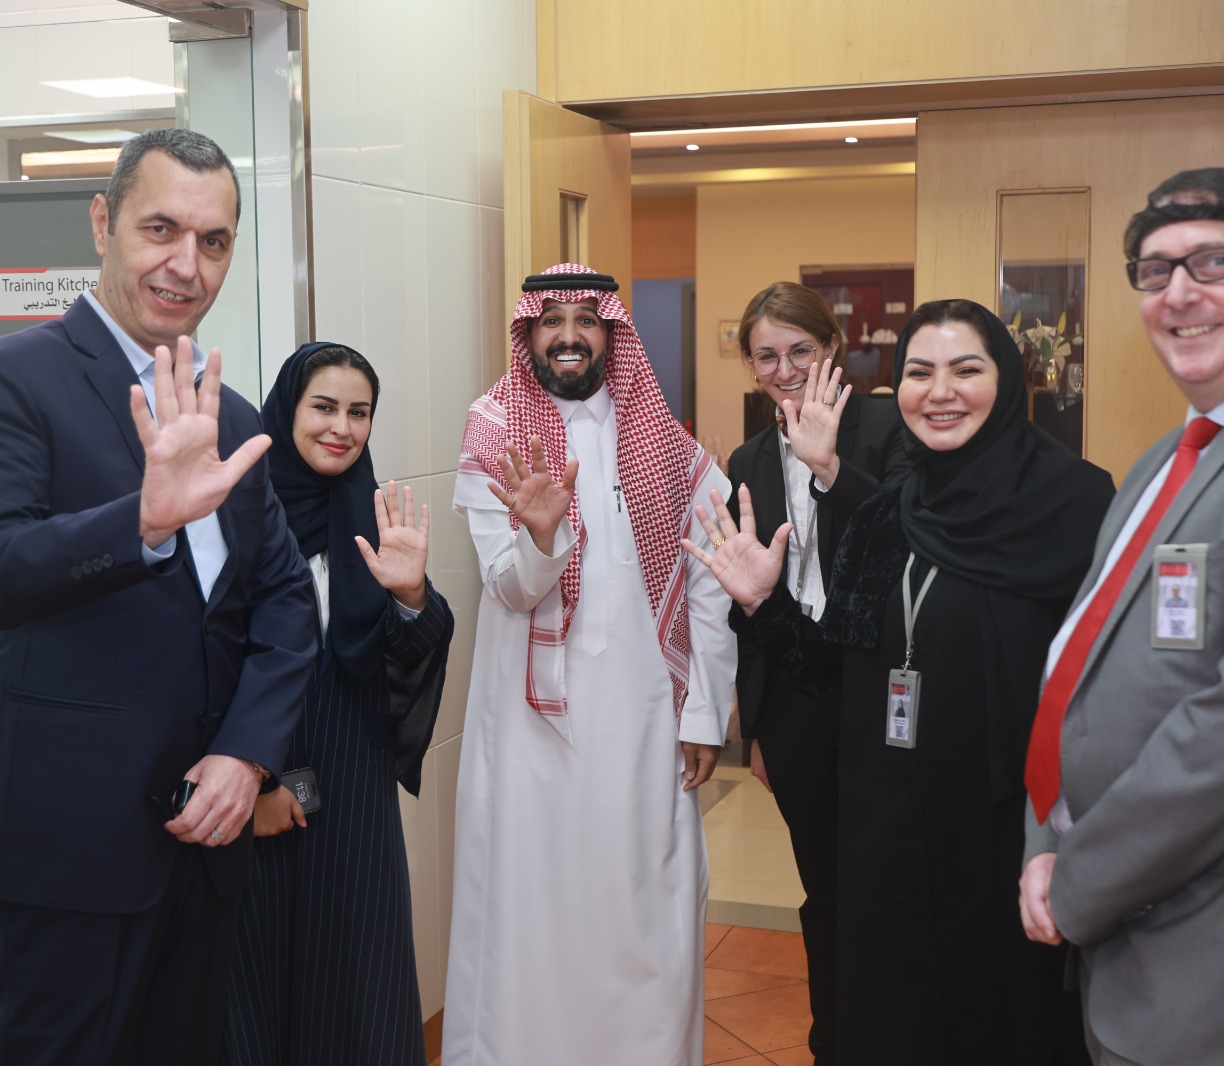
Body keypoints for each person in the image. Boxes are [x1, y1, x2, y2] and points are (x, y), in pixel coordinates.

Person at [0, 128, 317, 1066]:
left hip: (205, 841)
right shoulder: (5, 380)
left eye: (213, 241)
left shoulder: (230, 414)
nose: (187, 264)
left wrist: (247, 754)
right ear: (102, 224)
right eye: (160, 229)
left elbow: (282, 604)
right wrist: (139, 525)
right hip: (67, 850)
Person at [690, 298, 1111, 1065]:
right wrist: (764, 603)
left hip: (1002, 826)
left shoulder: (1073, 502)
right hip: (886, 829)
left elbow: (1100, 685)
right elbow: (834, 673)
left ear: (1006, 379)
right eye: (920, 372)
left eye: (965, 369)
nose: (939, 391)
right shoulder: (888, 517)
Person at [1019, 167, 1224, 1064]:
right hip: (1141, 936)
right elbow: (1082, 664)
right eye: (1155, 271)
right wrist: (1046, 832)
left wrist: (1081, 876)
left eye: (1213, 261)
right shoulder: (1167, 457)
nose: (1178, 293)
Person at [442, 263, 737, 1066]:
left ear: (612, 332)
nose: (568, 336)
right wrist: (542, 538)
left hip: (643, 724)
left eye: (585, 320)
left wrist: (703, 711)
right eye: (551, 321)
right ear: (528, 332)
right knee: (528, 908)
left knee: (644, 909)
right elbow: (508, 587)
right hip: (528, 738)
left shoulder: (662, 440)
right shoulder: (493, 427)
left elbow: (713, 574)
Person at [223, 342, 454, 1065]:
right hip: (257, 784)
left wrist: (412, 594)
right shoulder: (236, 515)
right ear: (286, 409)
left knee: (359, 983)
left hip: (353, 788)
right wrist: (259, 785)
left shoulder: (372, 515)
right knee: (258, 981)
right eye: (323, 407)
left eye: (360, 412)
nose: (342, 428)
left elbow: (406, 650)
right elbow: (206, 666)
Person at [725, 281, 909, 1064]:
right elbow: (747, 603)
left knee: (886, 880)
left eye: (800, 350)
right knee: (824, 886)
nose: (785, 370)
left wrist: (829, 468)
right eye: (766, 356)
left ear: (833, 347)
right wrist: (757, 724)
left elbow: (909, 542)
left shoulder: (888, 426)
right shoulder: (747, 459)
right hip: (797, 695)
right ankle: (834, 1041)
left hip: (880, 686)